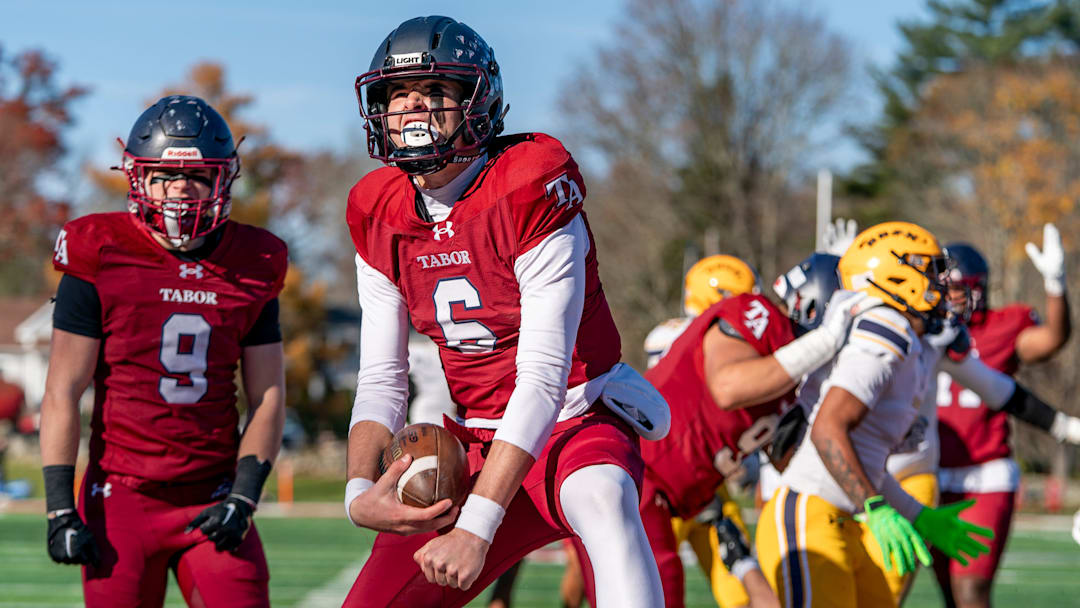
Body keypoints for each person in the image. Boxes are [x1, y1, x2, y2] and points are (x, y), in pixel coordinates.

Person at [341, 16, 666, 608]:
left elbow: (543, 374)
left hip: (576, 417)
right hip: (477, 435)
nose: (412, 107)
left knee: (605, 496)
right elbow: (381, 377)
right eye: (396, 94)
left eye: (435, 91)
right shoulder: (377, 208)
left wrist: (477, 526)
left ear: (476, 102)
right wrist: (359, 490)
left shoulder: (527, 183)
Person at [39, 95, 287, 608]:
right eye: (163, 175)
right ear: (137, 179)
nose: (179, 189)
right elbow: (63, 388)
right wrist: (59, 508)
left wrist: (244, 494)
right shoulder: (99, 250)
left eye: (196, 176)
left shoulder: (256, 260)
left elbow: (267, 396)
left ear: (223, 180)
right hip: (122, 497)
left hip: (213, 492)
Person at [756, 221, 994, 608]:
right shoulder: (885, 326)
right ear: (897, 274)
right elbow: (828, 428)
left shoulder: (908, 340)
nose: (942, 283)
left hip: (844, 516)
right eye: (930, 269)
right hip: (810, 511)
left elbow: (865, 458)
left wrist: (917, 514)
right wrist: (876, 507)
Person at [641, 252, 879, 608]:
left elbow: (796, 461)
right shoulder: (757, 313)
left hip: (681, 497)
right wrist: (826, 341)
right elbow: (728, 388)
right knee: (656, 592)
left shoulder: (793, 378)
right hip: (636, 474)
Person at [934, 230, 1072, 608]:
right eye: (943, 288)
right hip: (928, 474)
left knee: (972, 591)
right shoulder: (920, 329)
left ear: (978, 289)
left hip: (985, 472)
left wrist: (1055, 284)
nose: (950, 297)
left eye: (958, 288)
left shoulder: (1003, 325)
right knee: (949, 593)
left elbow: (1052, 340)